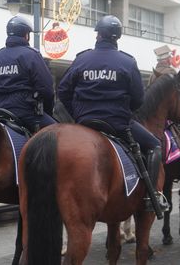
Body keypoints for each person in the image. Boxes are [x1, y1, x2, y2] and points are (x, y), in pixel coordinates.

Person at [57, 14, 169, 215]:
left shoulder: (82, 59)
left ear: (98, 35)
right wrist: (126, 112)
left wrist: (77, 115)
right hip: (117, 124)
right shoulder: (127, 62)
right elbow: (138, 99)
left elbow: (63, 91)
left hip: (85, 123)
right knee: (154, 145)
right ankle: (150, 199)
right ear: (117, 37)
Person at [0, 15, 55, 133]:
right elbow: (46, 89)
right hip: (24, 112)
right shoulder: (31, 55)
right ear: (26, 35)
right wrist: (47, 112)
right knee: (58, 131)